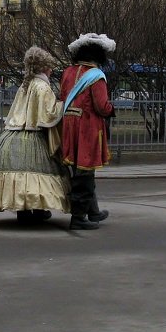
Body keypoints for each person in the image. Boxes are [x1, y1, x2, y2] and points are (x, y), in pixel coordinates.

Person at [0, 46, 69, 223]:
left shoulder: (25, 84)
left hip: (12, 135)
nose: (51, 70)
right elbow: (48, 114)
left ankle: (23, 211)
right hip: (33, 135)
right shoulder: (42, 86)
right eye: (50, 66)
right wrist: (63, 105)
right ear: (44, 67)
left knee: (19, 173)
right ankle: (36, 209)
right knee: (34, 172)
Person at [58, 33, 116, 230]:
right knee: (85, 171)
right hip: (87, 126)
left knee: (79, 170)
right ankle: (78, 217)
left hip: (69, 124)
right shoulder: (96, 76)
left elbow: (63, 97)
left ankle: (93, 211)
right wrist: (111, 109)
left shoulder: (67, 72)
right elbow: (101, 106)